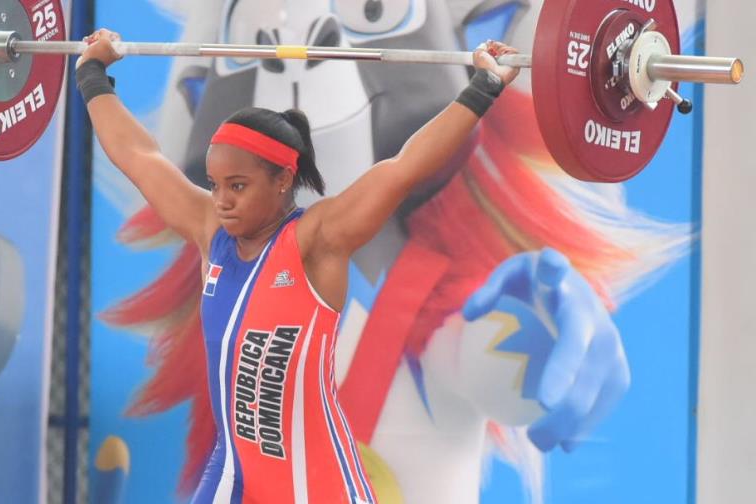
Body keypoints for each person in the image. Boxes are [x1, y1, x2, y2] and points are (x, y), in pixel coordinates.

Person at [76, 28, 520, 504]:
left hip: (317, 486)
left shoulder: (318, 239)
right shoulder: (211, 231)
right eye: (215, 184)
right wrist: (92, 74)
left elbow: (405, 167)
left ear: (283, 179)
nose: (221, 200)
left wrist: (485, 86)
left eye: (238, 186)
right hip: (233, 474)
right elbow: (138, 156)